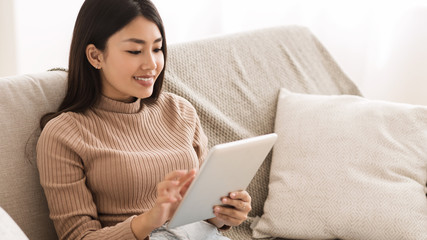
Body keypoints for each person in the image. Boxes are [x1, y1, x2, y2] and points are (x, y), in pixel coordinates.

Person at [36, 0, 252, 239]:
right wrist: (150, 219)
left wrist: (223, 213)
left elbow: (200, 209)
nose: (151, 64)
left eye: (157, 49)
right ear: (95, 56)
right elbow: (78, 237)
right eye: (135, 51)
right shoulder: (64, 134)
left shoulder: (180, 111)